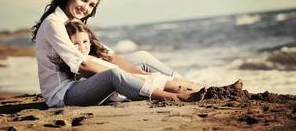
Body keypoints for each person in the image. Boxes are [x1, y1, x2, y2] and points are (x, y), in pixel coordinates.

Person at [31, 0, 204, 107]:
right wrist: (133, 76)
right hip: (64, 94)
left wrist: (141, 74)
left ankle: (191, 87)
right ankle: (174, 97)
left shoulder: (74, 22)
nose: (86, 8)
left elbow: (107, 55)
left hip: (82, 83)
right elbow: (82, 67)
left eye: (91, 5)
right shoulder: (54, 23)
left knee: (141, 57)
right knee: (114, 75)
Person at [57, 21, 207, 104]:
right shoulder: (78, 62)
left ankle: (201, 88)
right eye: (76, 44)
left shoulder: (93, 54)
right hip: (116, 88)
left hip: (123, 81)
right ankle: (176, 97)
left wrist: (144, 74)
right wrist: (141, 78)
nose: (82, 47)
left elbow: (118, 64)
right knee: (165, 85)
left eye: (85, 41)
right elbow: (111, 74)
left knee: (162, 77)